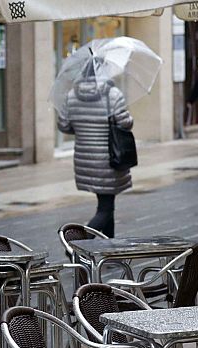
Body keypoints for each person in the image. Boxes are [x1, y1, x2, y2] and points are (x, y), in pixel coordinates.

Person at [57, 63, 133, 238]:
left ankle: (109, 247)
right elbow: (125, 123)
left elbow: (64, 125)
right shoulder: (113, 95)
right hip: (109, 159)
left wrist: (83, 130)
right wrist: (129, 118)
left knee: (107, 203)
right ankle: (79, 243)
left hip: (85, 160)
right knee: (105, 208)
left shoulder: (71, 96)